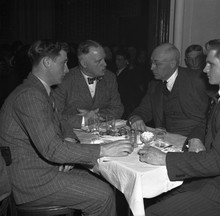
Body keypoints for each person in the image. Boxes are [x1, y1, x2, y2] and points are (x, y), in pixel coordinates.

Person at [138, 39, 220, 216]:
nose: (204, 69)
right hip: (218, 177)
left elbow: (217, 162)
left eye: (210, 64)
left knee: (152, 212)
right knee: (152, 195)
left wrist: (164, 158)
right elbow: (205, 122)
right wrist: (195, 138)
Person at [0, 40, 133, 216]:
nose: (67, 69)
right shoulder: (30, 96)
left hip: (41, 168)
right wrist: (104, 149)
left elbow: (60, 121)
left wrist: (69, 137)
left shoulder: (38, 90)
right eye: (63, 63)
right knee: (103, 195)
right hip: (31, 180)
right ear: (47, 62)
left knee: (105, 180)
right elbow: (52, 150)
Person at [128, 43, 209, 140]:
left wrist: (196, 139)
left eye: (157, 64)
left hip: (192, 141)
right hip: (164, 141)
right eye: (151, 63)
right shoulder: (154, 85)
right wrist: (136, 118)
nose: (152, 68)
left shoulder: (198, 80)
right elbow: (144, 109)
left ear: (172, 64)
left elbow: (210, 118)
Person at [52, 40, 123, 128]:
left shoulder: (110, 77)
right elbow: (54, 116)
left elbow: (118, 108)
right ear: (84, 63)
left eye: (104, 59)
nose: (105, 64)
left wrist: (97, 116)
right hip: (73, 136)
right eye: (98, 61)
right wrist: (83, 120)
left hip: (103, 135)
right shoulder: (64, 80)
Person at [114, 49, 143, 119]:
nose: (116, 62)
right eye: (116, 59)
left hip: (125, 108)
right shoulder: (113, 73)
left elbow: (132, 95)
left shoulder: (131, 75)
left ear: (126, 61)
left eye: (119, 60)